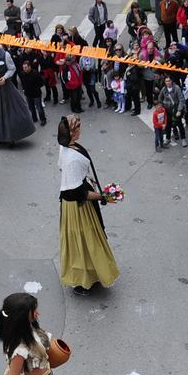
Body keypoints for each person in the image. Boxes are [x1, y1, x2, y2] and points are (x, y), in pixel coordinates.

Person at [57, 115, 119, 296]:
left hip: (76, 202)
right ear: (72, 133)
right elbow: (79, 193)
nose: (80, 129)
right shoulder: (73, 159)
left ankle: (91, 275)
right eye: (77, 127)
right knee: (84, 242)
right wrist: (103, 196)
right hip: (78, 208)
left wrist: (83, 177)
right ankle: (82, 282)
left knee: (85, 241)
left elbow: (63, 170)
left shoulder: (65, 147)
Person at [0, 43, 36, 144]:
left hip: (4, 87)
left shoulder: (5, 54)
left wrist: (5, 77)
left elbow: (12, 68)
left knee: (8, 112)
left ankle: (11, 137)